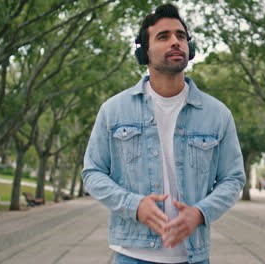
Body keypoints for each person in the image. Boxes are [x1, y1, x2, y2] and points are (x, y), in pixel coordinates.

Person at [81, 4, 245, 264]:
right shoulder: (113, 110)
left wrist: (201, 213)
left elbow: (233, 178)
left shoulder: (218, 114)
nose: (175, 42)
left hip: (192, 256)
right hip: (131, 254)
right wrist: (134, 205)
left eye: (181, 36)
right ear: (144, 52)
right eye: (163, 36)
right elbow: (92, 172)